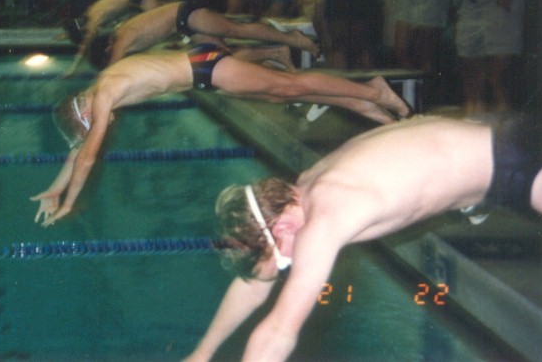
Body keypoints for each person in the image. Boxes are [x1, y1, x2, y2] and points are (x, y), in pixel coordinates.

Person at [186, 113, 541, 362]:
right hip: (501, 140)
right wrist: (201, 354)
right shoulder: (309, 183)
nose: (289, 265)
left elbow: (278, 332)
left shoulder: (324, 219)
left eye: (283, 261)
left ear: (281, 229)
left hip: (516, 163)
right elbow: (253, 285)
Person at [32, 48, 411, 226]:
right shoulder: (99, 90)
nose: (103, 127)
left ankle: (373, 90)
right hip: (202, 71)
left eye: (90, 128)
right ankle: (363, 104)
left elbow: (88, 156)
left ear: (84, 116)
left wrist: (69, 203)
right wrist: (55, 189)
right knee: (281, 93)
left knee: (288, 86)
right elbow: (80, 149)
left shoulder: (103, 95)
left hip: (204, 67)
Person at [103, 0, 319, 69]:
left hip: (186, 15)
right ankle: (277, 53)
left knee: (237, 30)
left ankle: (294, 39)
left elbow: (111, 70)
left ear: (108, 47)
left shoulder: (121, 37)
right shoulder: (123, 34)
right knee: (222, 59)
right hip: (184, 26)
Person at [64, 0, 178, 76]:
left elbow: (85, 45)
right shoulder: (91, 10)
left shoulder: (93, 20)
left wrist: (73, 68)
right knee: (163, 15)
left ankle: (177, 39)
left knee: (161, 21)